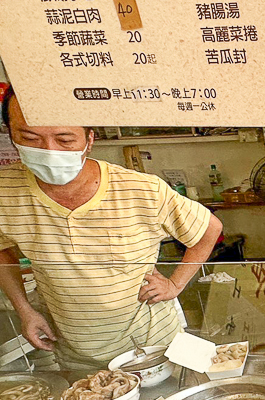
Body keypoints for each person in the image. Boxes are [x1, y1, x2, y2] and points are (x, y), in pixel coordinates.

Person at [0, 88, 222, 368]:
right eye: (30, 138)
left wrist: (175, 284)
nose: (49, 151)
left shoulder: (141, 189)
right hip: (74, 351)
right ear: (10, 135)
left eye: (65, 139)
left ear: (88, 140)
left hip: (152, 346)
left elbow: (209, 229)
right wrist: (25, 310)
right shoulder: (4, 190)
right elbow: (2, 250)